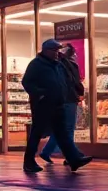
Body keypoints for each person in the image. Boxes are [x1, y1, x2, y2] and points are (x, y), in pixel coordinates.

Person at [21, 39, 92, 173]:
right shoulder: (36, 64)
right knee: (37, 133)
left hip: (58, 103)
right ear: (45, 51)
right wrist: (40, 94)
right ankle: (29, 161)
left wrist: (64, 94)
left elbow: (63, 81)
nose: (56, 53)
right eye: (54, 50)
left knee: (62, 133)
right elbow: (27, 82)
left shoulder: (58, 65)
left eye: (57, 50)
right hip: (43, 105)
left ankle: (74, 159)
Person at [38, 43, 84, 164]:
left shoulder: (57, 65)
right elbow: (74, 81)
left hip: (64, 98)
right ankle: (71, 156)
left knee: (61, 129)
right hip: (69, 98)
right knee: (67, 128)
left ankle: (48, 151)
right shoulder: (68, 65)